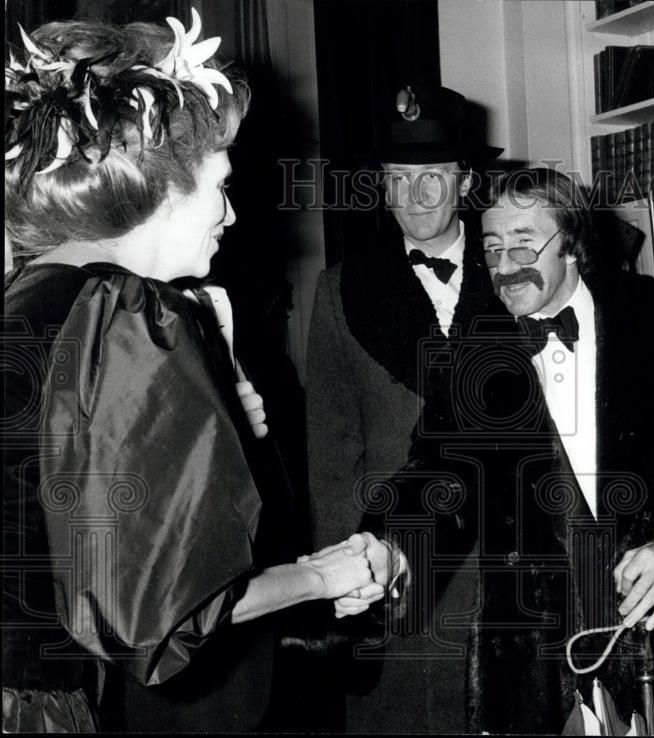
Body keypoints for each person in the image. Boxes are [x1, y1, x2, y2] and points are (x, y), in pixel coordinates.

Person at [2, 13, 383, 732]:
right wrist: (321, 576)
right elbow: (160, 617)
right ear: (164, 188)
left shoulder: (29, 295)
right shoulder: (129, 314)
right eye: (222, 186)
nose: (232, 214)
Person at [367, 167, 654, 733]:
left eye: (524, 243)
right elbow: (438, 473)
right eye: (493, 247)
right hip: (538, 661)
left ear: (572, 246)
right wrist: (395, 546)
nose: (504, 267)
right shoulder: (475, 355)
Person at [304, 84, 503, 733]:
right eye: (398, 179)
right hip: (398, 565)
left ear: (466, 180)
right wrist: (353, 576)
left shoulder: (518, 269)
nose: (415, 197)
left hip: (509, 562)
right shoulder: (340, 291)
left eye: (433, 178)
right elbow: (331, 457)